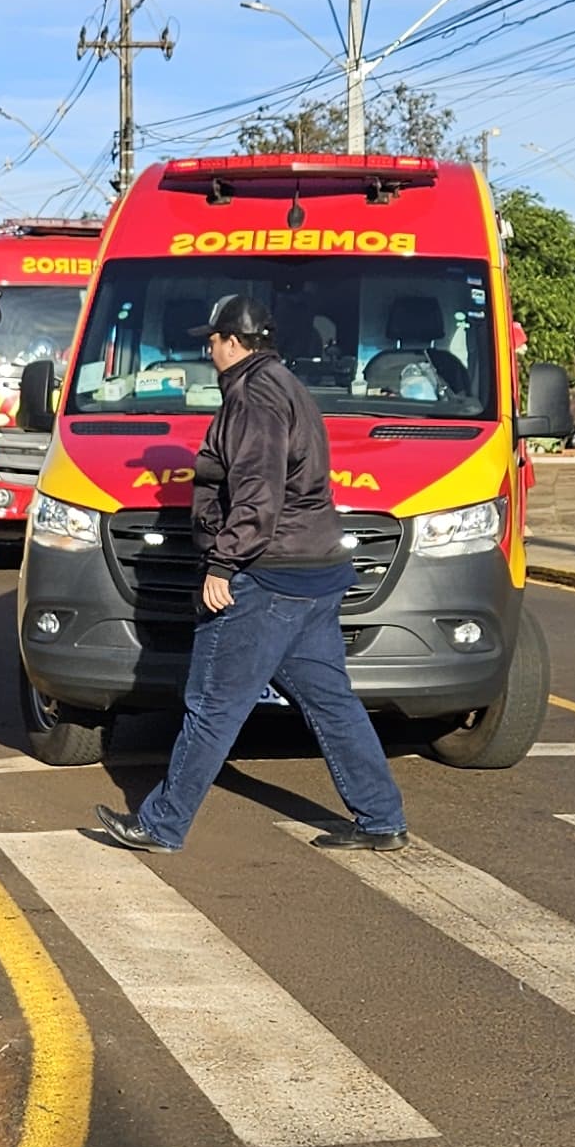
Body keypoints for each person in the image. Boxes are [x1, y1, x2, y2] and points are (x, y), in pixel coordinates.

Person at [91, 293, 407, 857]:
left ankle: (162, 825)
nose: (208, 349)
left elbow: (258, 492)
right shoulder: (285, 385)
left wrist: (223, 563)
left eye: (212, 340)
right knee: (332, 702)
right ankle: (382, 819)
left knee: (213, 704)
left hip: (268, 577)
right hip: (313, 571)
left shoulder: (254, 396)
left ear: (233, 342)